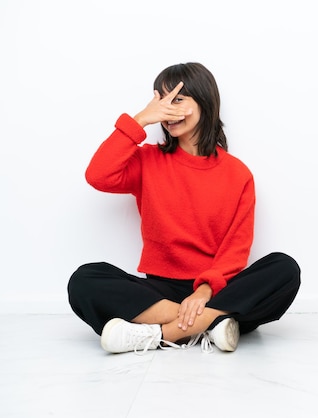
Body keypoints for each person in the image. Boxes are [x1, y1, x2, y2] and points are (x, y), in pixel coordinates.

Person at [67, 62, 301, 354]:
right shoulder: (147, 161)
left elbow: (236, 249)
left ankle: (158, 335)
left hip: (217, 289)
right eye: (161, 100)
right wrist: (140, 120)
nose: (168, 110)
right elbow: (98, 176)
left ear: (204, 102)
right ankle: (213, 323)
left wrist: (205, 292)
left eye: (177, 99)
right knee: (84, 280)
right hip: (160, 291)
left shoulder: (237, 174)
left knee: (284, 269)